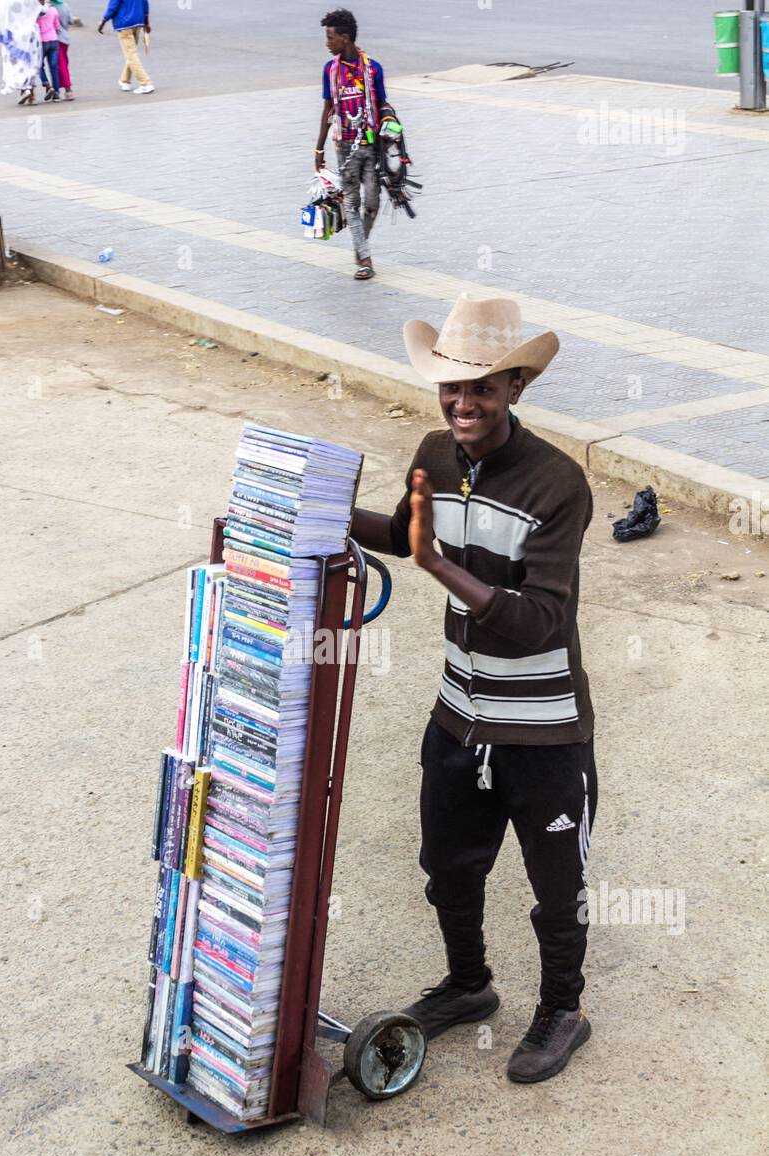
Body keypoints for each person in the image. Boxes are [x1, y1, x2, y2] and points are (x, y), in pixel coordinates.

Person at [350, 294, 597, 1084]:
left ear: (517, 388)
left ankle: (564, 1008)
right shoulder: (432, 449)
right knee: (447, 866)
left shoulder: (559, 484)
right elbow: (405, 535)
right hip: (459, 712)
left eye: (483, 387)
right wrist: (312, 511)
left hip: (545, 727)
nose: (464, 402)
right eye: (452, 387)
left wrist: (440, 568)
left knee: (557, 887)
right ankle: (469, 985)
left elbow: (539, 620)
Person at [315, 8, 386, 281]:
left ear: (345, 38)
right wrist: (319, 149)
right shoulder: (330, 71)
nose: (327, 42)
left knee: (373, 202)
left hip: (370, 145)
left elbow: (382, 104)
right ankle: (364, 258)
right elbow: (327, 109)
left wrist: (391, 126)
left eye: (330, 37)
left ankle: (360, 242)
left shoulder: (372, 68)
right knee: (353, 202)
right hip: (344, 147)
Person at [98, 0, 154, 95]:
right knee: (131, 54)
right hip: (137, 22)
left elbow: (113, 7)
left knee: (131, 55)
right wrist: (146, 22)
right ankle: (125, 81)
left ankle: (146, 83)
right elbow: (145, 4)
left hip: (124, 24)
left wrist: (103, 22)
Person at [0, 0, 42, 104]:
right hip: (31, 32)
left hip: (14, 35)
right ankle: (30, 93)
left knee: (18, 65)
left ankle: (25, 89)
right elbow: (42, 9)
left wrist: (0, 33)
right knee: (31, 63)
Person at [37, 0, 63, 101]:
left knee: (38, 65)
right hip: (53, 40)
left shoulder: (36, 12)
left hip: (42, 41)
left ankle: (47, 84)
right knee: (54, 68)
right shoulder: (53, 10)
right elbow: (57, 26)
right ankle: (56, 93)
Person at [50, 0, 74, 100]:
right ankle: (60, 88)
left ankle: (68, 90)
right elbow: (71, 20)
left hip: (55, 38)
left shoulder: (50, 7)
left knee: (61, 65)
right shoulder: (65, 5)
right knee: (64, 63)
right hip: (65, 38)